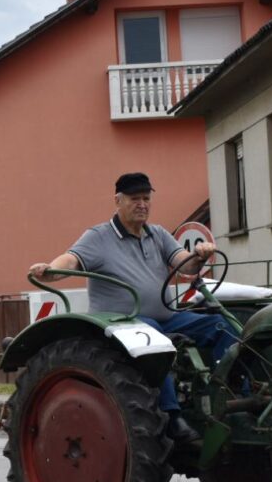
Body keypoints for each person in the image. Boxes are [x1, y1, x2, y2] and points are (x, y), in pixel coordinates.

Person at [28, 172, 238, 445]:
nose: (142, 204)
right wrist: (49, 270)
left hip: (166, 317)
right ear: (118, 200)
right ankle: (172, 417)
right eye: (135, 198)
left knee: (222, 325)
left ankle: (231, 396)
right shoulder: (99, 237)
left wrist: (199, 256)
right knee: (153, 340)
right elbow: (71, 260)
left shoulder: (158, 234)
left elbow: (184, 265)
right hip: (124, 322)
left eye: (146, 198)